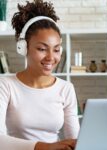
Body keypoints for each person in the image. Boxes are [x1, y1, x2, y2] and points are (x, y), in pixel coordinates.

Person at [0, 0, 80, 150]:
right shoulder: (5, 86)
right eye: (42, 49)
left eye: (56, 50)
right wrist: (45, 147)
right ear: (23, 48)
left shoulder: (66, 88)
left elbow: (74, 140)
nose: (51, 57)